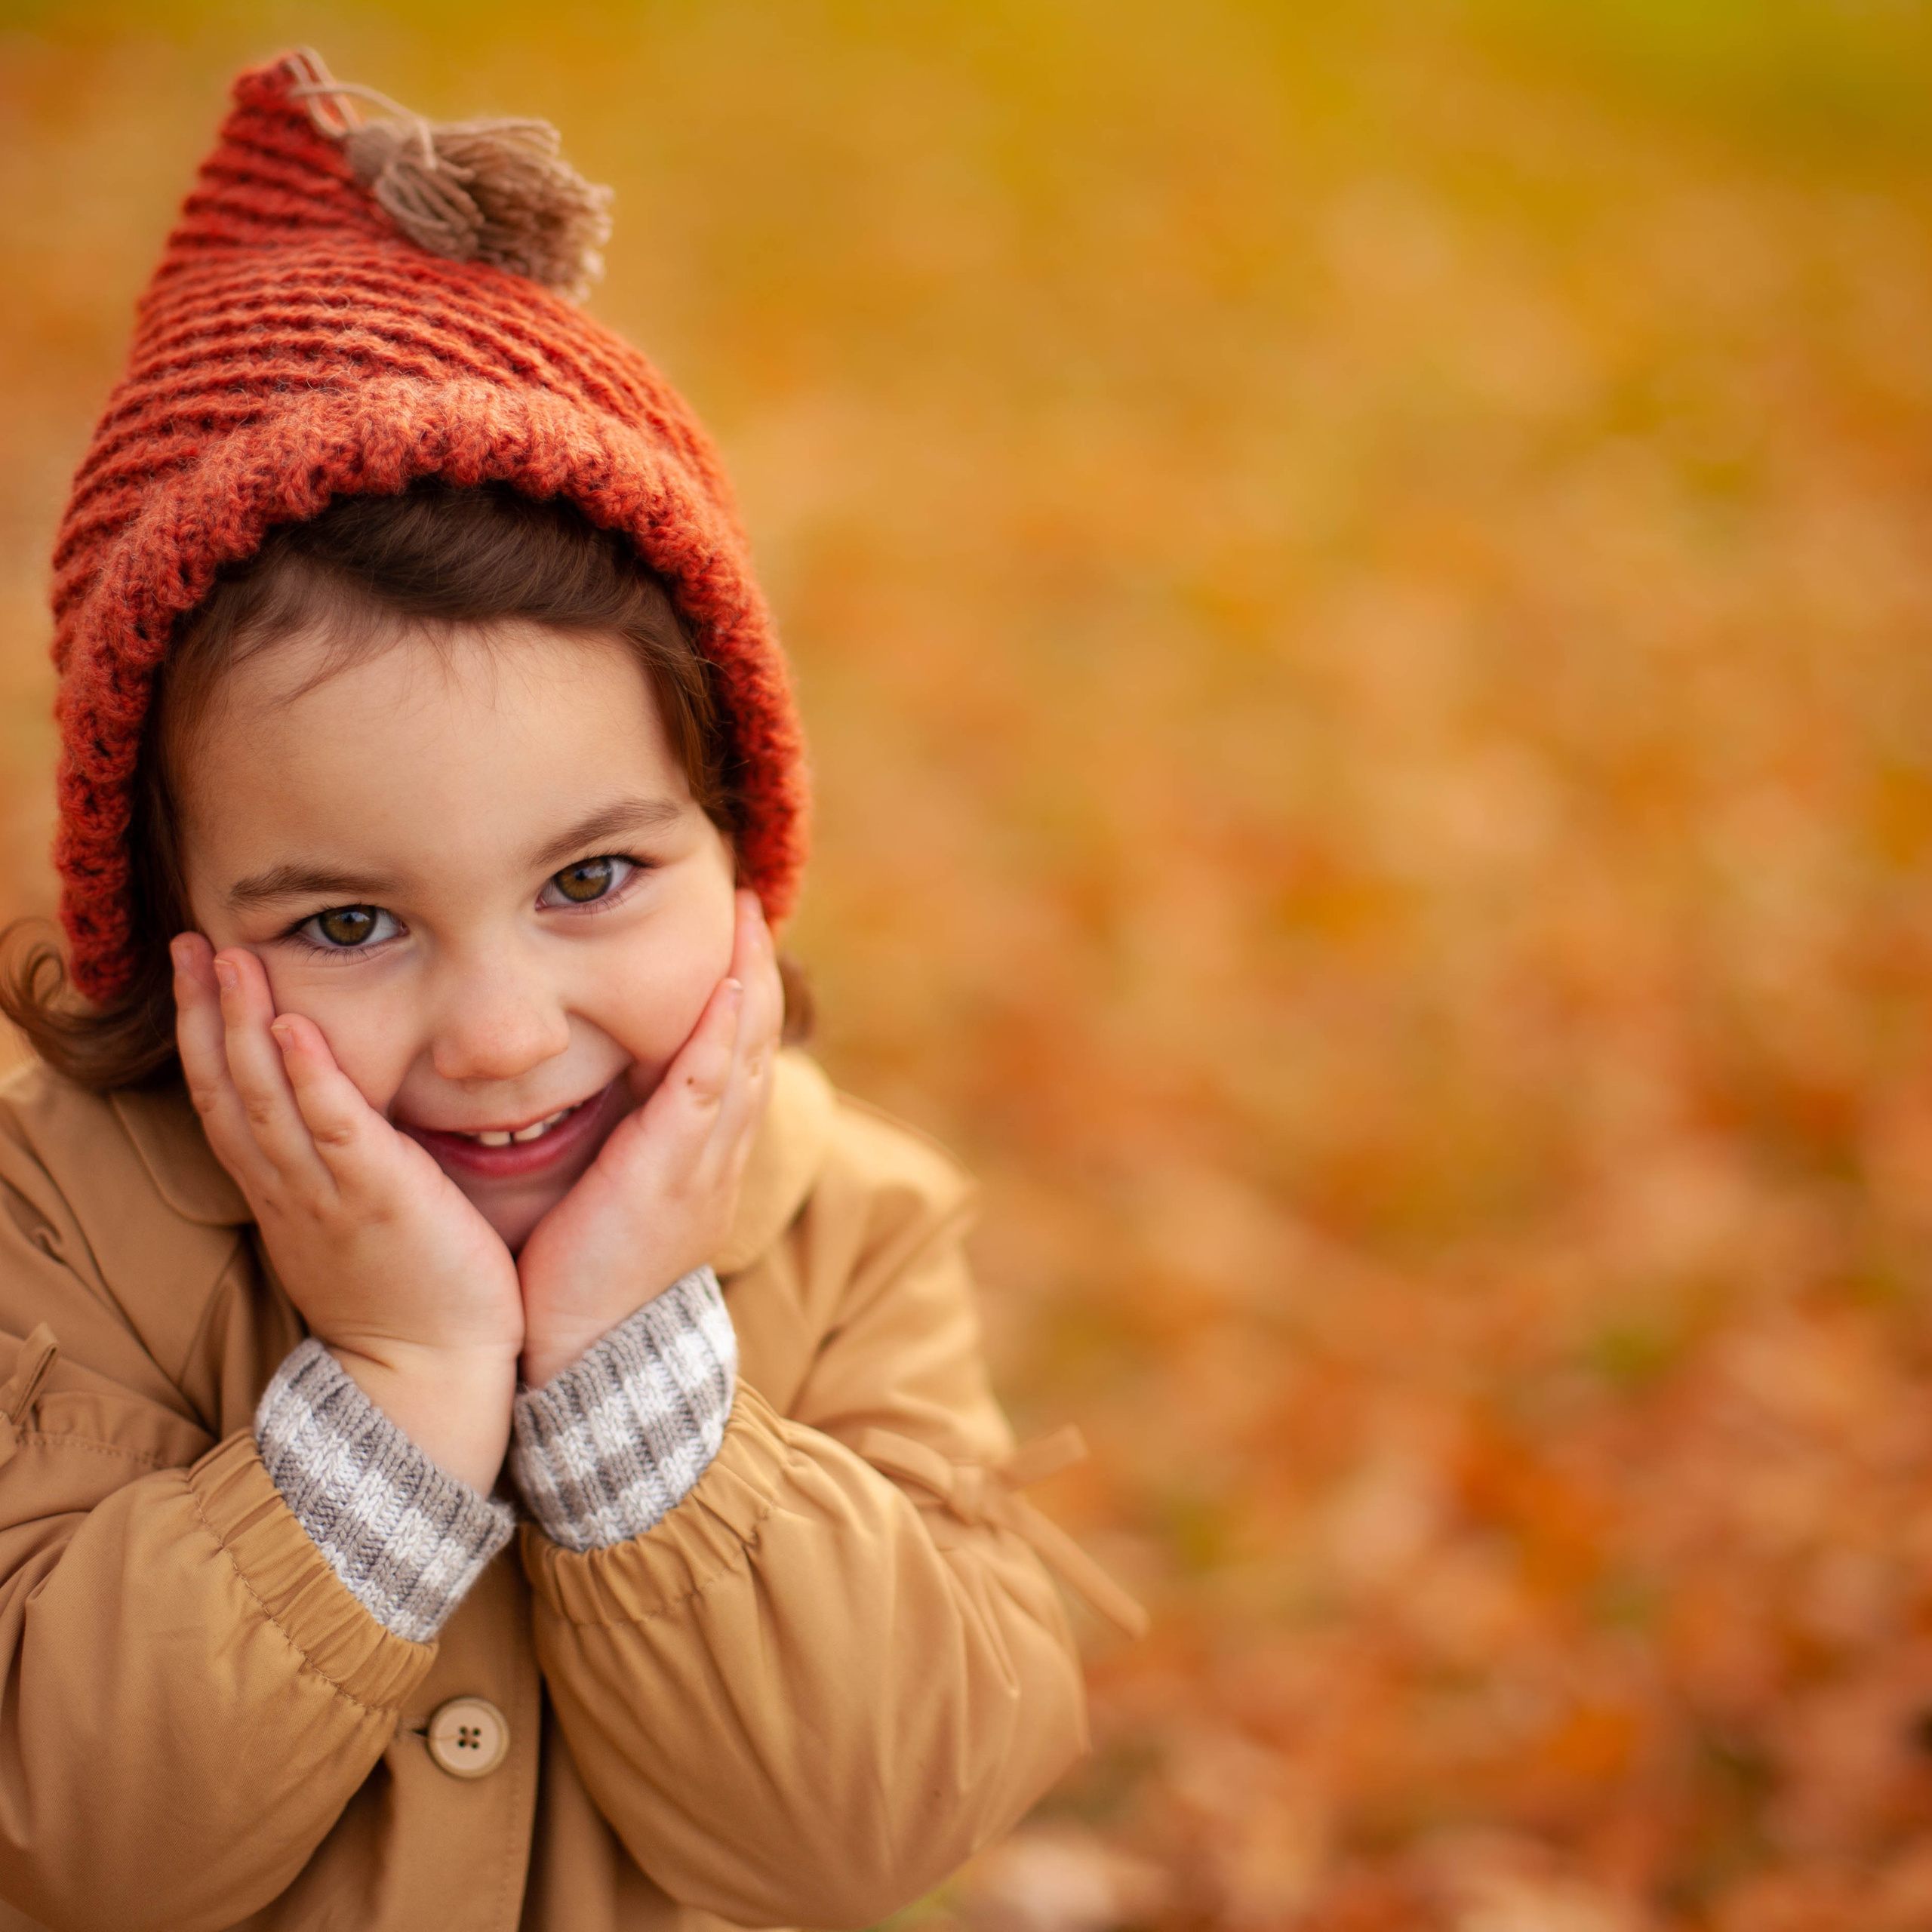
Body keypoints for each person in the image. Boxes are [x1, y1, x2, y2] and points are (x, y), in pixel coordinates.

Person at [0, 49, 1140, 1932]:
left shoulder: (839, 1227)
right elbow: (77, 1832)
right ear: (167, 911)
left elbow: (871, 1819)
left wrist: (624, 1372)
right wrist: (398, 1382)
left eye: (592, 879)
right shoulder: (62, 1227)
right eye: (347, 923)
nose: (503, 1034)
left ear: (737, 842)